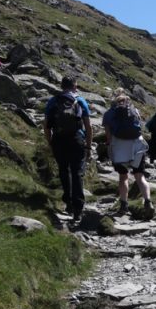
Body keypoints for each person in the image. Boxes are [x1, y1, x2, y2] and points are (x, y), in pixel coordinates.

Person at [43, 75, 92, 225]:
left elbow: (46, 125)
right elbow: (88, 127)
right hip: (76, 139)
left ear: (62, 85)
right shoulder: (80, 100)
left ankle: (68, 203)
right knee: (77, 172)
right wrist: (88, 146)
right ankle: (78, 209)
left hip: (59, 139)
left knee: (64, 170)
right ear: (74, 86)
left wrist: (51, 142)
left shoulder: (53, 101)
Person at [103, 91, 154, 218]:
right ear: (127, 102)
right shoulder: (134, 110)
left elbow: (108, 135)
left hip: (119, 146)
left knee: (123, 176)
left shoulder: (109, 114)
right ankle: (148, 202)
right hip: (137, 145)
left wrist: (109, 147)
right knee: (140, 176)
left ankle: (124, 205)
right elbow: (140, 127)